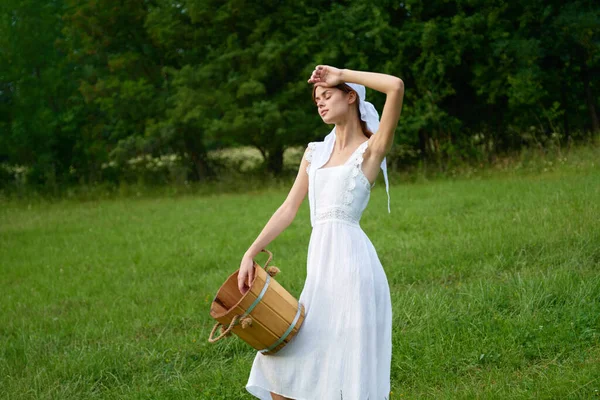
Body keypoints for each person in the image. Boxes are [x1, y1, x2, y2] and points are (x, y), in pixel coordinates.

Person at [239, 65, 404, 400]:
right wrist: (250, 251)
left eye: (328, 95)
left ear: (351, 96)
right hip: (320, 273)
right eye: (317, 99)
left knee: (346, 368)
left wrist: (340, 72)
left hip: (355, 272)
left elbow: (396, 86)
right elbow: (288, 208)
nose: (321, 103)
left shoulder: (370, 152)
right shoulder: (314, 153)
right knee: (281, 369)